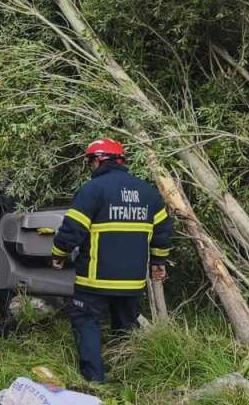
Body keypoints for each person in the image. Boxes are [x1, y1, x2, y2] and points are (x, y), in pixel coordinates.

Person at [50, 137, 172, 383]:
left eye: (90, 162)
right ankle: (129, 377)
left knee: (87, 324)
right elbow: (162, 233)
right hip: (132, 283)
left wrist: (59, 254)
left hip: (95, 281)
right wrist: (158, 263)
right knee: (126, 327)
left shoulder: (92, 190)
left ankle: (95, 382)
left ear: (97, 161)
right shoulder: (148, 193)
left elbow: (72, 229)